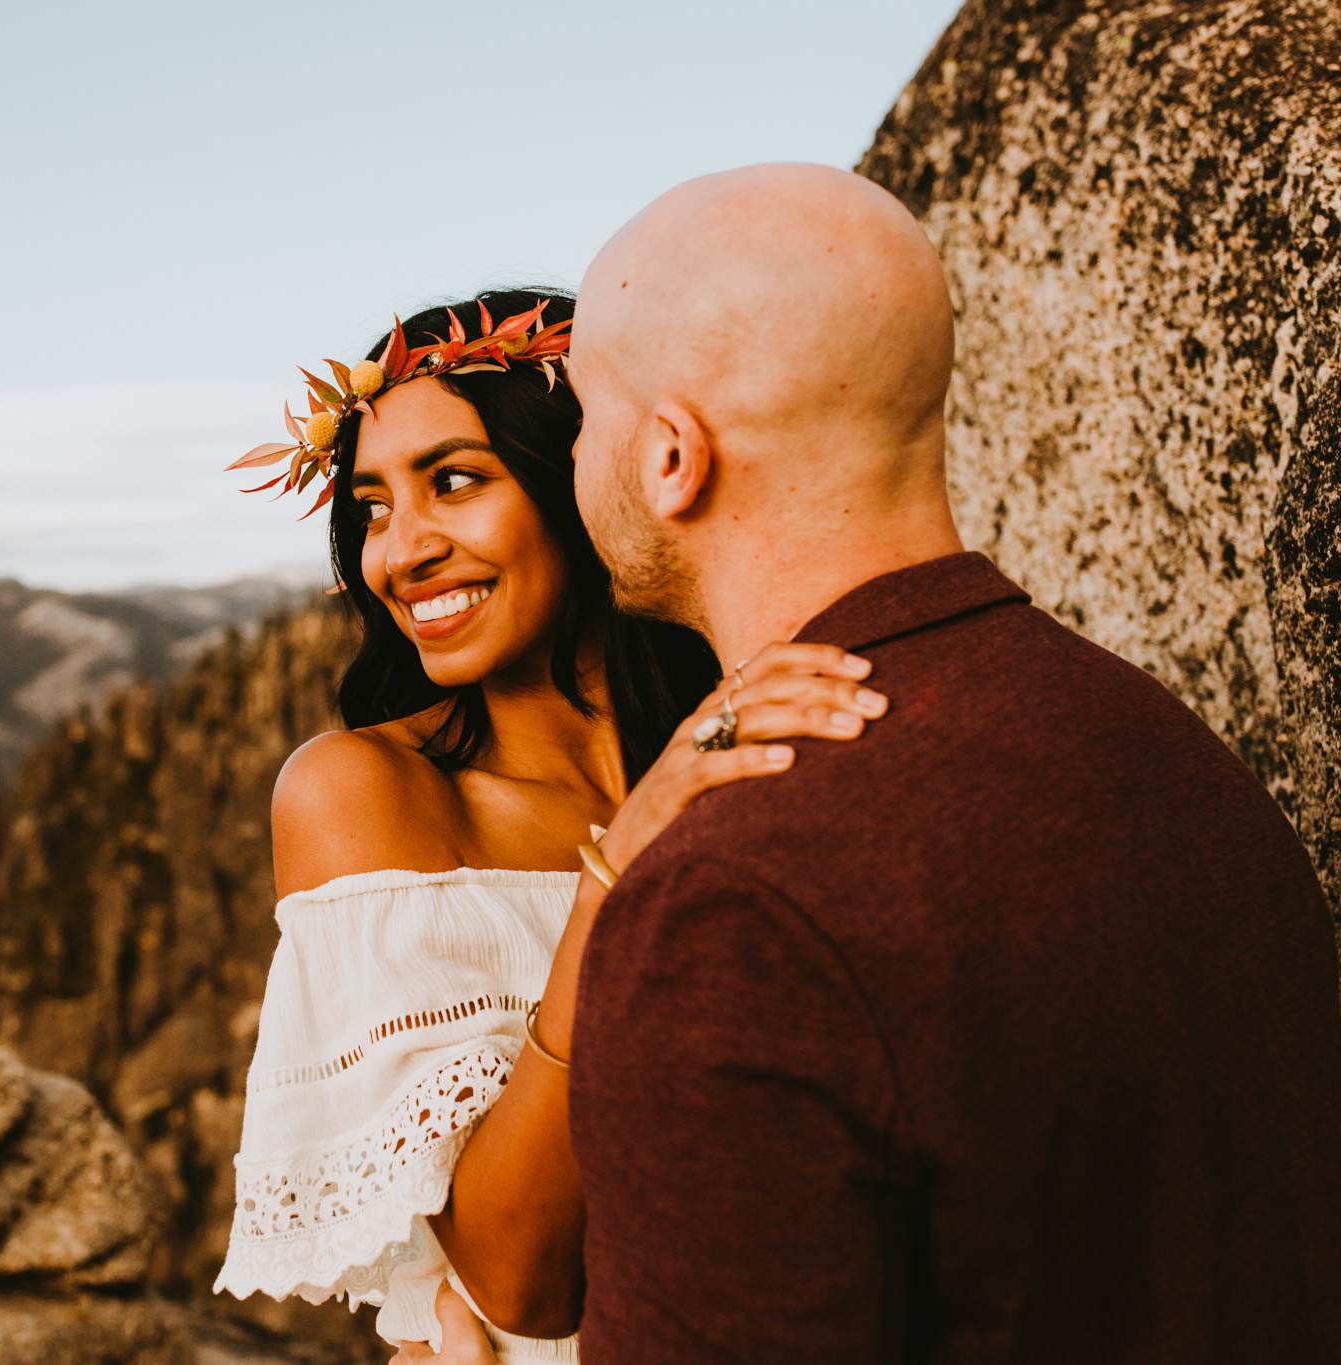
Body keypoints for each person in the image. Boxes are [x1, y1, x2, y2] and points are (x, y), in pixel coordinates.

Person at [437, 163, 1341, 1361]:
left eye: (583, 420)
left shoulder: (731, 907)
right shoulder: (1165, 750)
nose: (575, 466)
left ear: (672, 459)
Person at [212, 289, 890, 1361]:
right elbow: (517, 1279)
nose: (400, 554)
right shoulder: (362, 793)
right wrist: (612, 880)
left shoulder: (767, 737)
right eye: (373, 506)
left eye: (453, 482)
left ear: (587, 478)